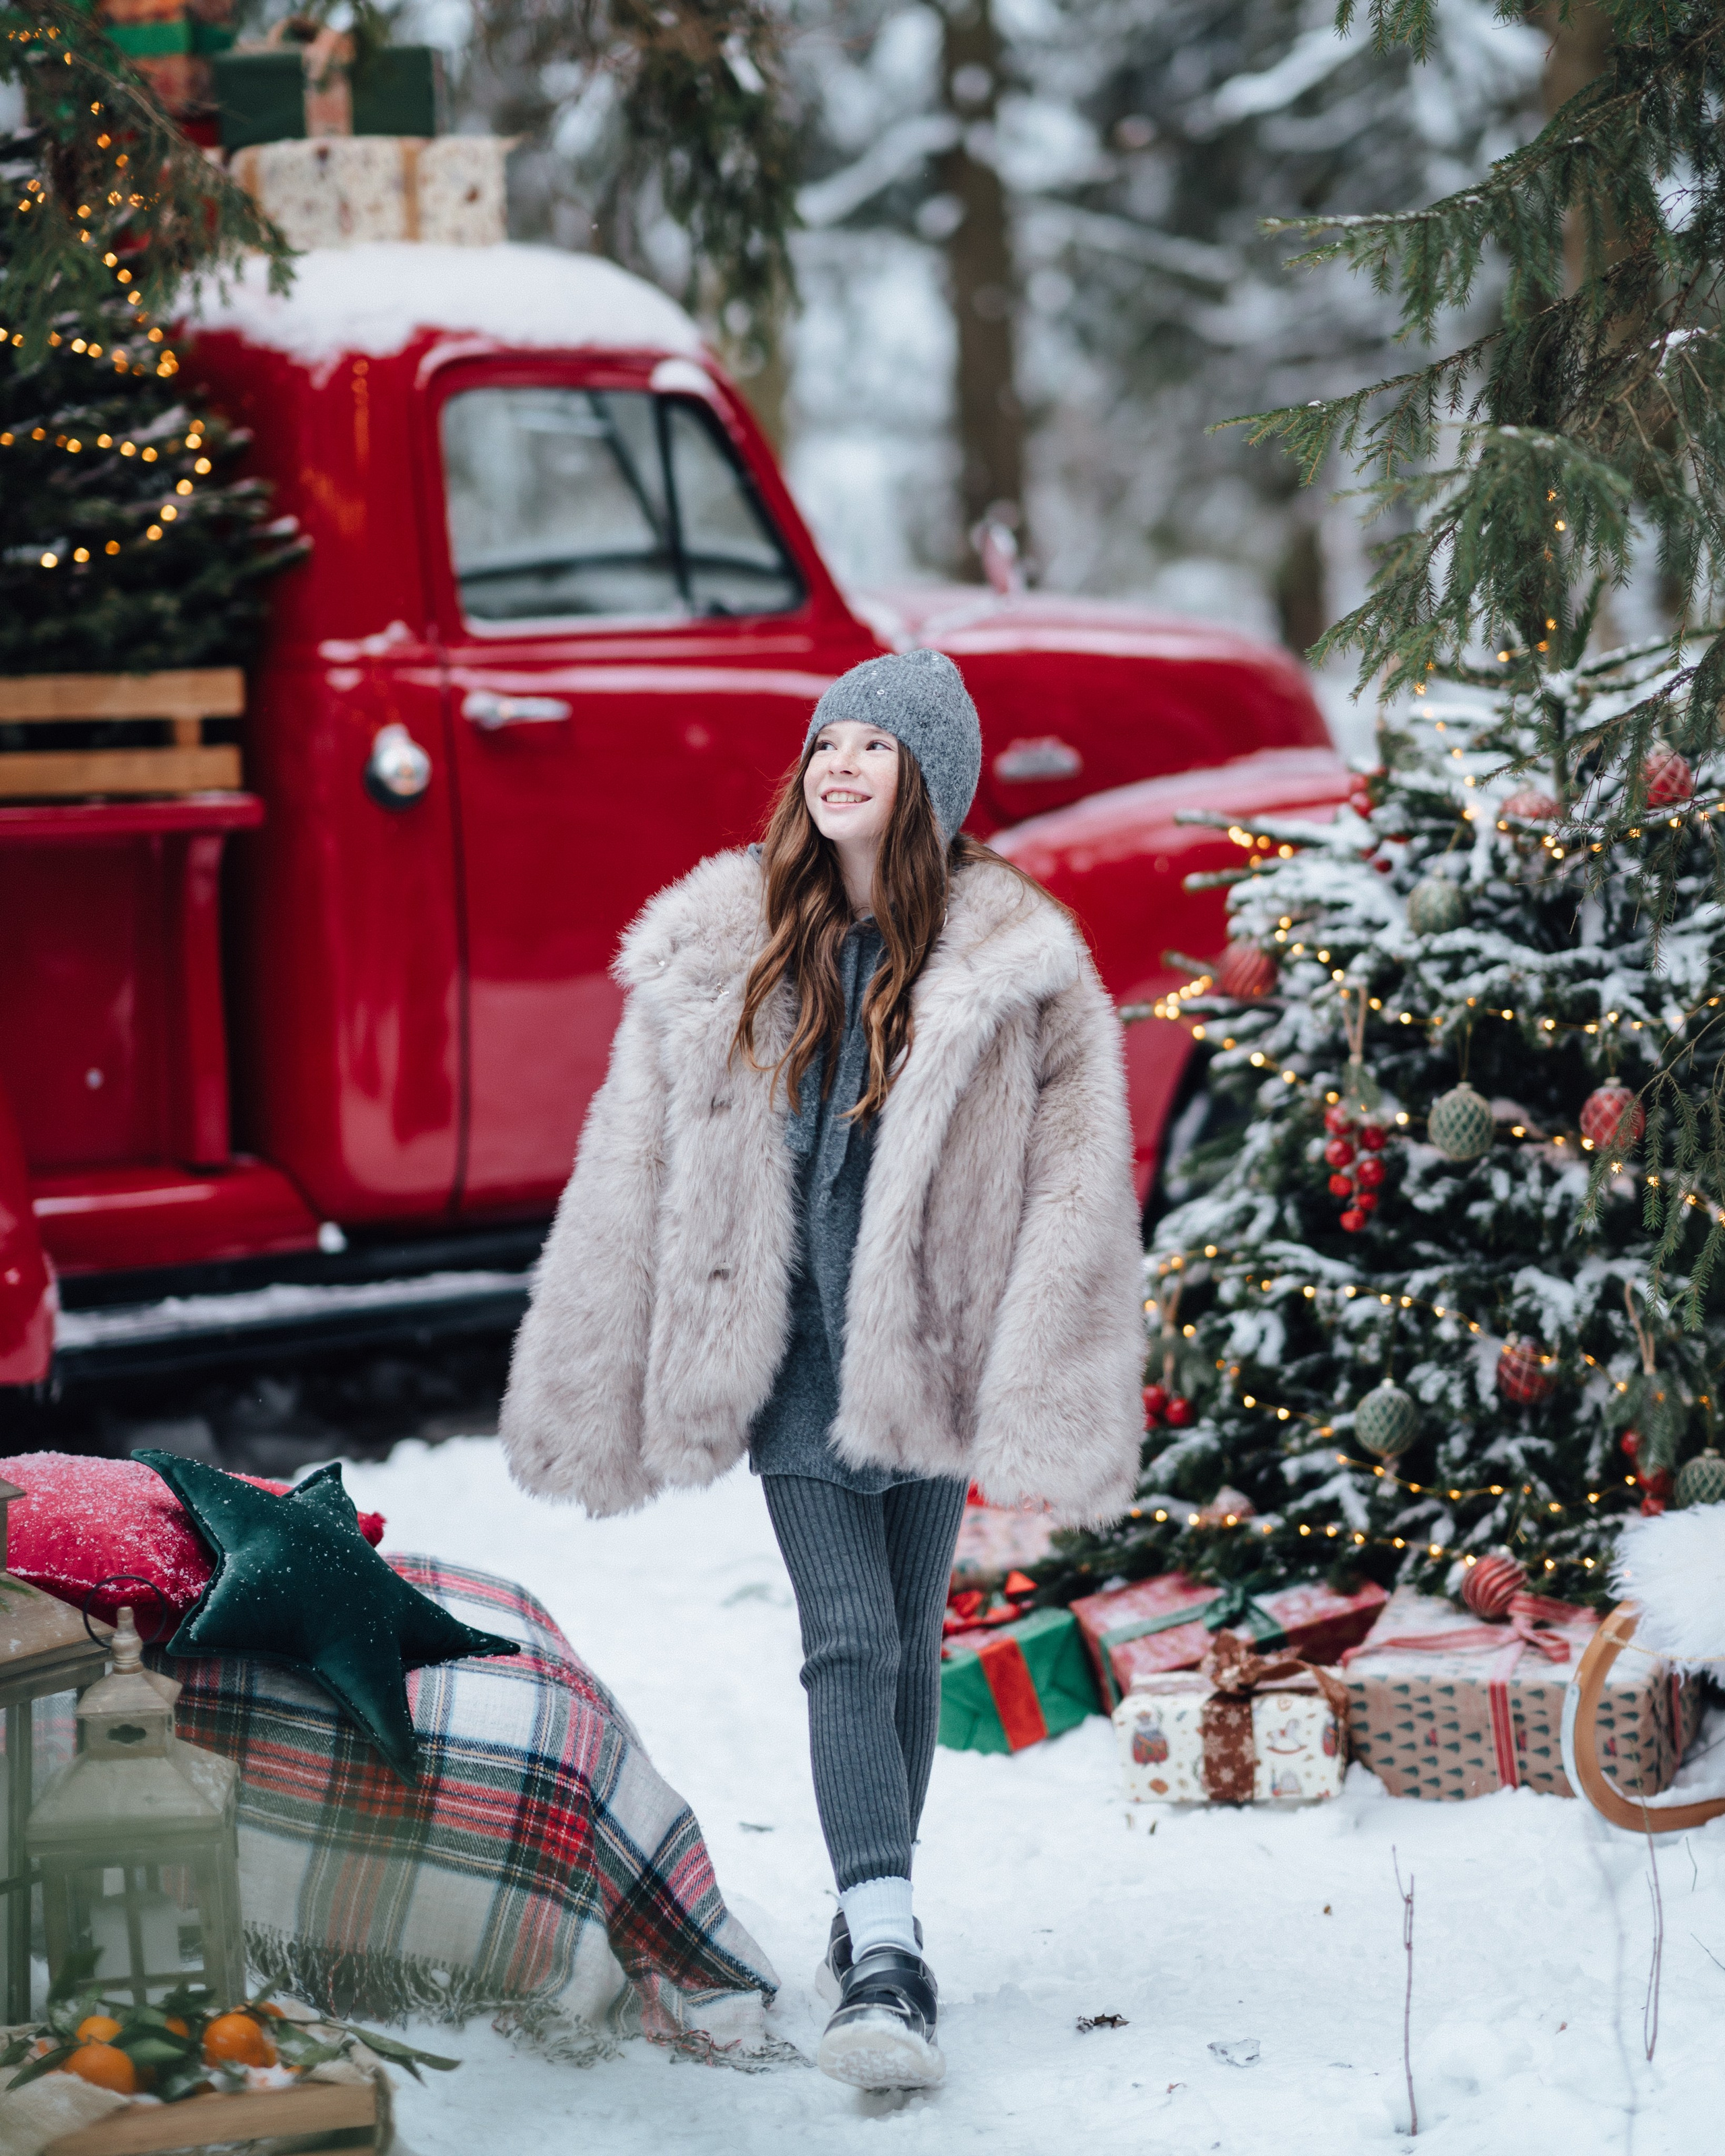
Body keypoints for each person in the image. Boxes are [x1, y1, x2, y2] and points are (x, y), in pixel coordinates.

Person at [500, 647, 1143, 2091]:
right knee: (848, 1633)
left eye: (875, 746)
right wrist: (589, 1371)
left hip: (928, 1354)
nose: (838, 764)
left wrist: (1045, 1375)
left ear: (934, 781)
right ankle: (894, 1947)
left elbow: (1075, 1182)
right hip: (785, 1353)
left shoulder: (1013, 963)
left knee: (910, 1645)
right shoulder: (722, 945)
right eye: (825, 743)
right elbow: (628, 1168)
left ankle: (870, 1923)